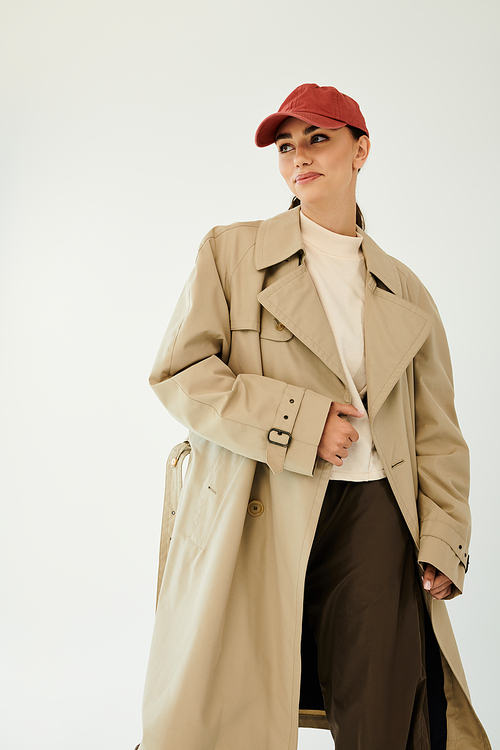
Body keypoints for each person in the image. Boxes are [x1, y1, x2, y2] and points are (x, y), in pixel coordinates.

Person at [137, 84, 491, 749]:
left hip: (376, 515)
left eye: (318, 139)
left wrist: (444, 535)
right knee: (230, 712)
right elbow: (181, 374)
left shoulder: (405, 288)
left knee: (388, 712)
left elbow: (436, 429)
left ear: (361, 150)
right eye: (286, 145)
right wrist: (299, 423)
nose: (299, 155)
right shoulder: (231, 253)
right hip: (255, 508)